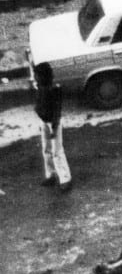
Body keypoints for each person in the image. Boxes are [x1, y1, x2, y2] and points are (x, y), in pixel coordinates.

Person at [33, 62, 71, 192]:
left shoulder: (54, 89)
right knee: (46, 150)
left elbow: (56, 110)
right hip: (44, 122)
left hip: (53, 123)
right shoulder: (41, 87)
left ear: (44, 76)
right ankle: (51, 174)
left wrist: (54, 126)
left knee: (57, 151)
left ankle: (65, 178)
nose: (35, 78)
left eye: (37, 75)